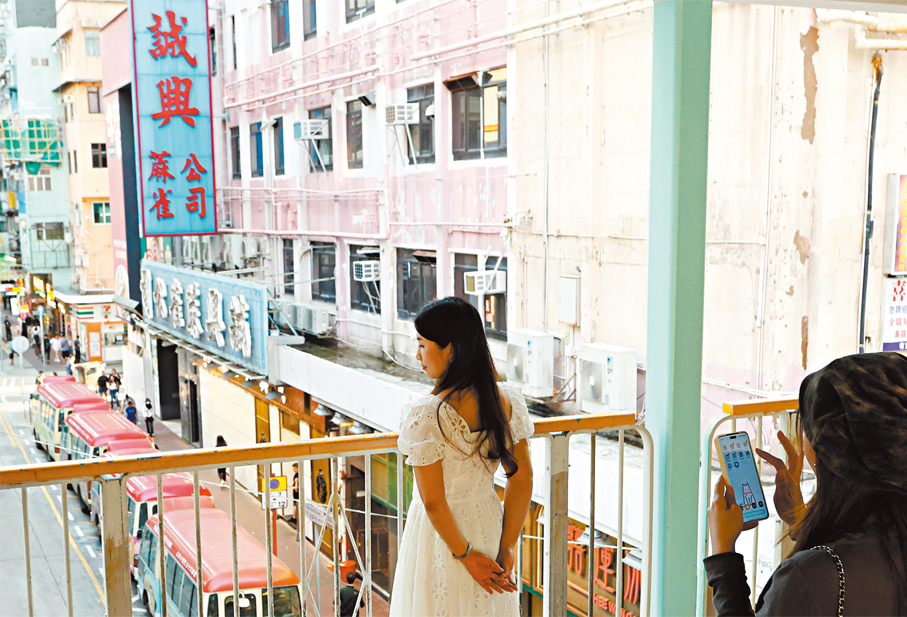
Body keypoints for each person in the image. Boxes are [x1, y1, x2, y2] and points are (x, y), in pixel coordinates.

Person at [705, 352, 907, 616]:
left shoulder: (807, 578)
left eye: (807, 426)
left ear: (828, 448)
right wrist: (802, 520)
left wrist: (723, 554)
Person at [388, 298, 534, 617]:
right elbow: (522, 477)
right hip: (488, 524)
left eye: (422, 344)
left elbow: (433, 502)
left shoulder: (426, 414)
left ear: (450, 350)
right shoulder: (505, 401)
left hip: (441, 537)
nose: (417, 355)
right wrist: (507, 545)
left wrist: (466, 555)